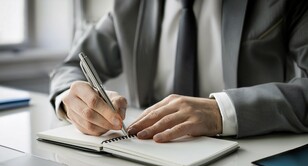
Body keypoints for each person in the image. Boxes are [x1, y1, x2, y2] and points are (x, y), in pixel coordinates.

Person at [50, 0, 308, 143]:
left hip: (252, 152)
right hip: (148, 155)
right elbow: (71, 67)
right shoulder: (129, 6)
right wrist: (71, 101)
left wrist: (223, 111)